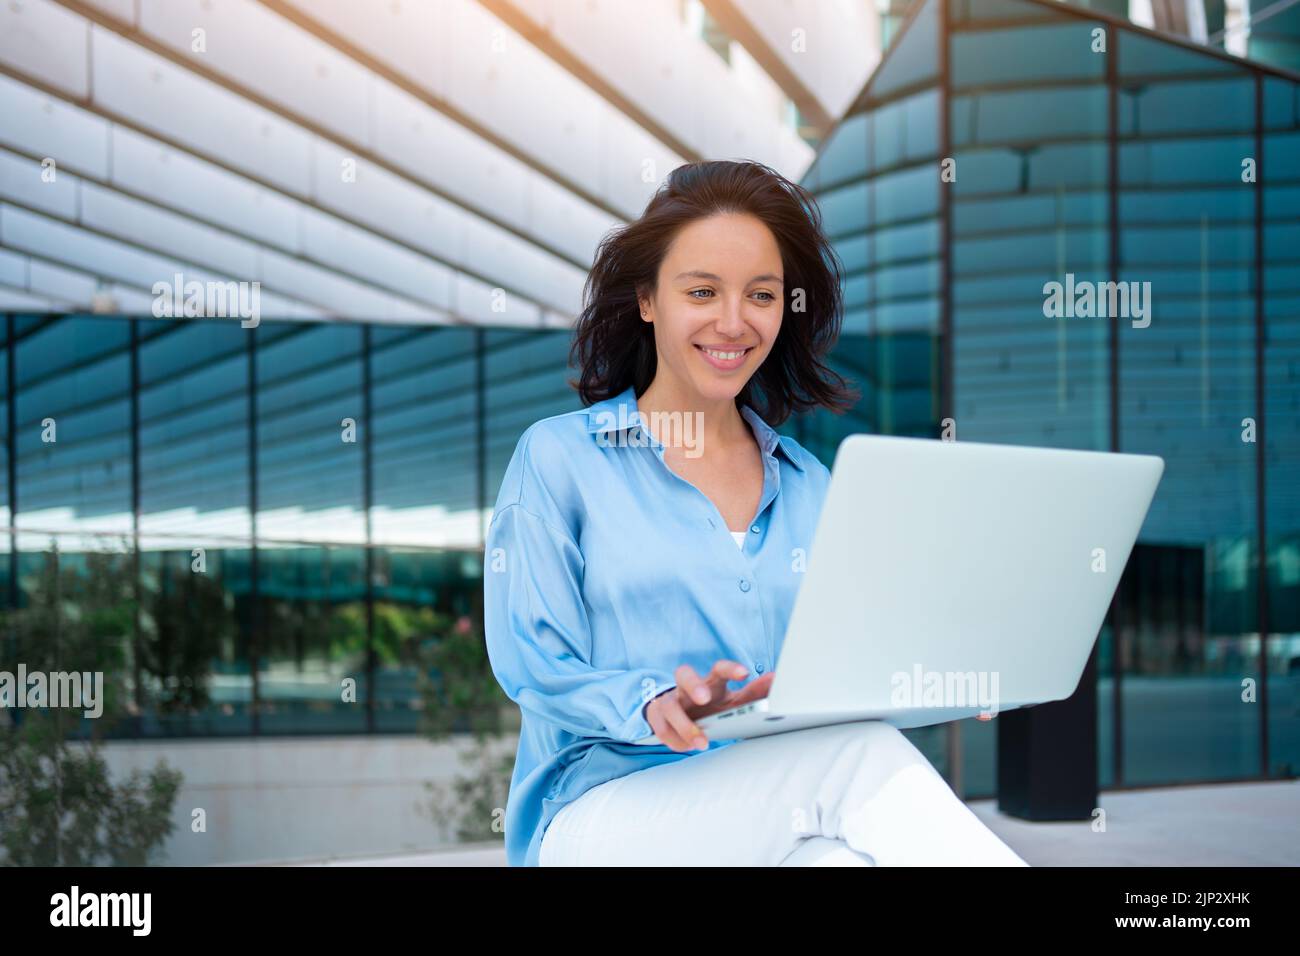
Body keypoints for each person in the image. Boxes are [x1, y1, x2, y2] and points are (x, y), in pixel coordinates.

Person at [482, 159, 1029, 867]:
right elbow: (532, 659)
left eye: (762, 295)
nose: (734, 323)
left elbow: (845, 665)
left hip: (768, 802)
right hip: (599, 811)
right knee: (856, 756)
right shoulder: (562, 458)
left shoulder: (810, 485)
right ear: (647, 299)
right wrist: (653, 702)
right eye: (702, 291)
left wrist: (944, 672)